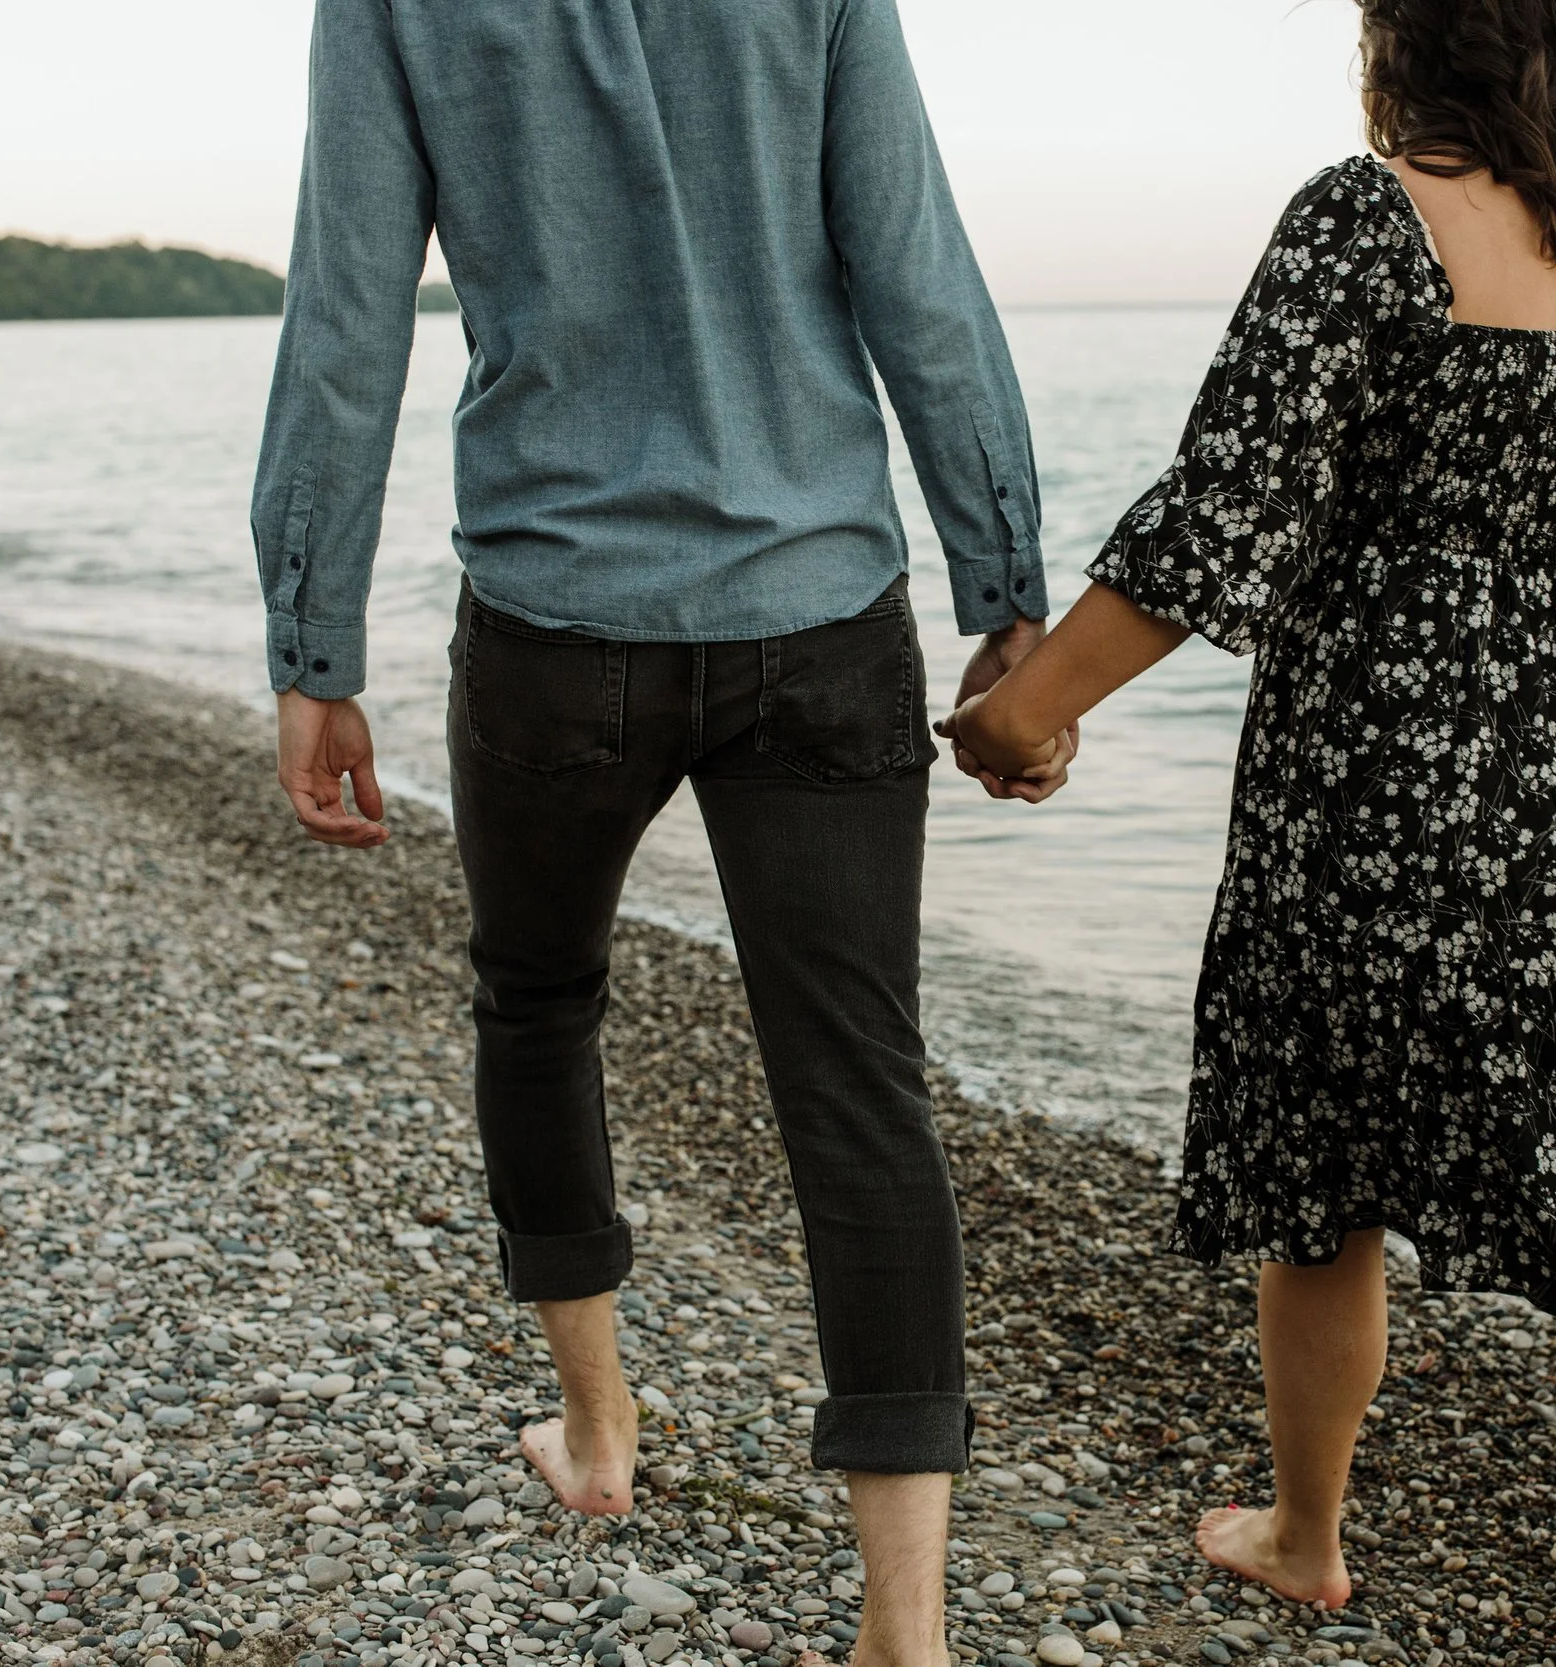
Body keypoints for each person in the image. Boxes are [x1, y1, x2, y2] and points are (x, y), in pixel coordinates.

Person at [937, 0, 1556, 1659]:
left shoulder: (1369, 220)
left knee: (1327, 1180)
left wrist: (1025, 707)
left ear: (1402, 47)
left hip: (1368, 813)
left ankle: (1307, 1533)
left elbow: (1219, 514)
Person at [252, 3, 1068, 1662]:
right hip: (821, 603)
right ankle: (901, 1626)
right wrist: (1007, 590)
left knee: (541, 1002)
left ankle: (602, 1428)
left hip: (558, 618)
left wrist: (311, 641)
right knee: (857, 1077)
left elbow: (347, 312)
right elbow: (917, 267)